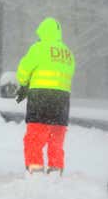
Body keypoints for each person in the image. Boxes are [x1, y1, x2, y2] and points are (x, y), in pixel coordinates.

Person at [15, 17, 75, 175]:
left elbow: (23, 70)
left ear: (43, 32)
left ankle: (36, 172)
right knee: (56, 138)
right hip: (62, 100)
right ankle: (55, 171)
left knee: (35, 138)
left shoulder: (39, 48)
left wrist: (23, 83)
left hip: (41, 98)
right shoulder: (67, 53)